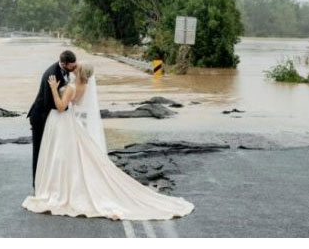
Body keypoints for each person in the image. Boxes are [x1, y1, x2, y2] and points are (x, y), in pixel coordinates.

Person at [22, 63, 195, 220]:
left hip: (65, 122)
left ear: (80, 72)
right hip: (71, 122)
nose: (75, 68)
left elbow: (61, 106)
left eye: (77, 68)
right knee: (74, 156)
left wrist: (53, 88)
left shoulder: (72, 87)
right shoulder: (85, 86)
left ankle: (59, 189)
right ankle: (64, 185)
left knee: (62, 155)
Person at [27, 50, 78, 188]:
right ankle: (37, 184)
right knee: (39, 151)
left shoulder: (65, 70)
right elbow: (48, 102)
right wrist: (66, 107)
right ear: (63, 63)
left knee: (49, 150)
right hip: (40, 116)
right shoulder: (52, 74)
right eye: (72, 66)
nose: (75, 68)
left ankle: (48, 180)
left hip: (51, 116)